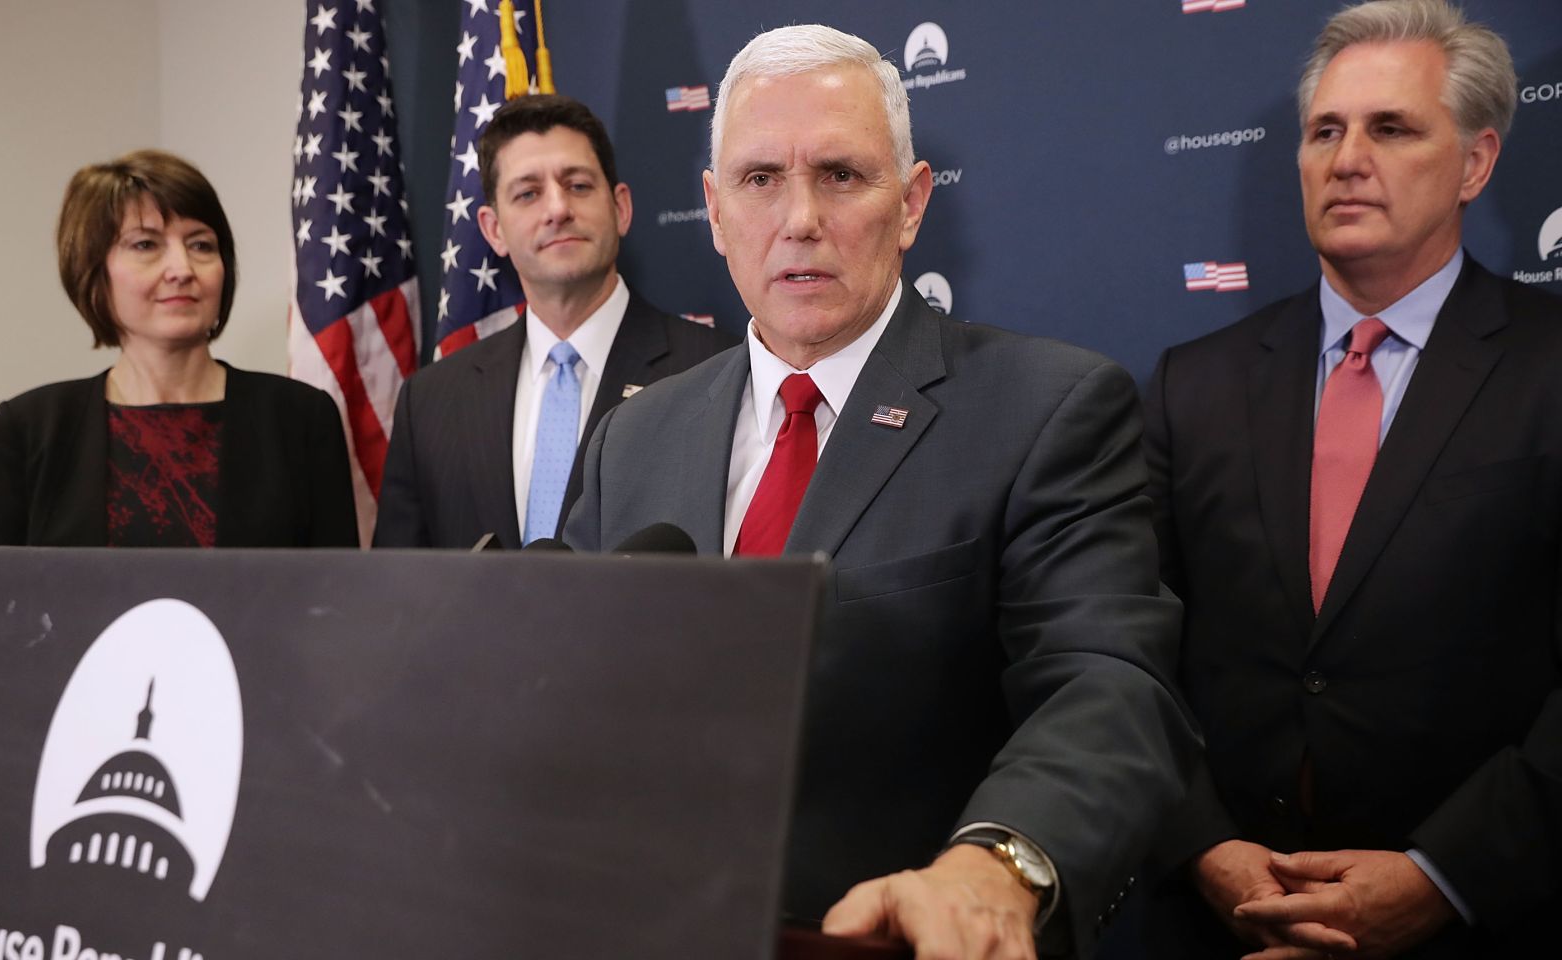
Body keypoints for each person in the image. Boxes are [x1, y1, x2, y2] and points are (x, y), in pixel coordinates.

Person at [566, 25, 1197, 960]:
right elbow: (569, 706)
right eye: (759, 180)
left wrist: (999, 863)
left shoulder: (1048, 408)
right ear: (712, 209)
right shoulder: (632, 438)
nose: (799, 219)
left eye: (841, 175)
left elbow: (1105, 683)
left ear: (911, 204)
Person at [1141, 2, 1562, 956]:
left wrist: (1443, 877)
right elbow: (1130, 656)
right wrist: (1204, 845)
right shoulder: (1191, 384)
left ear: (1477, 163)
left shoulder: (1549, 370)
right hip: (1223, 924)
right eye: (1324, 130)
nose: (1347, 157)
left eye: (1392, 127)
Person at [373, 95, 735, 549]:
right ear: (493, 230)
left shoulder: (717, 370)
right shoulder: (429, 402)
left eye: (578, 185)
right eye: (528, 193)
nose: (557, 209)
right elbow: (400, 593)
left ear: (621, 208)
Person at [0, 150, 358, 548]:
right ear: (93, 273)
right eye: (145, 244)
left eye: (201, 245)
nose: (182, 269)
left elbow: (338, 598)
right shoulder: (28, 429)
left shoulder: (301, 419)